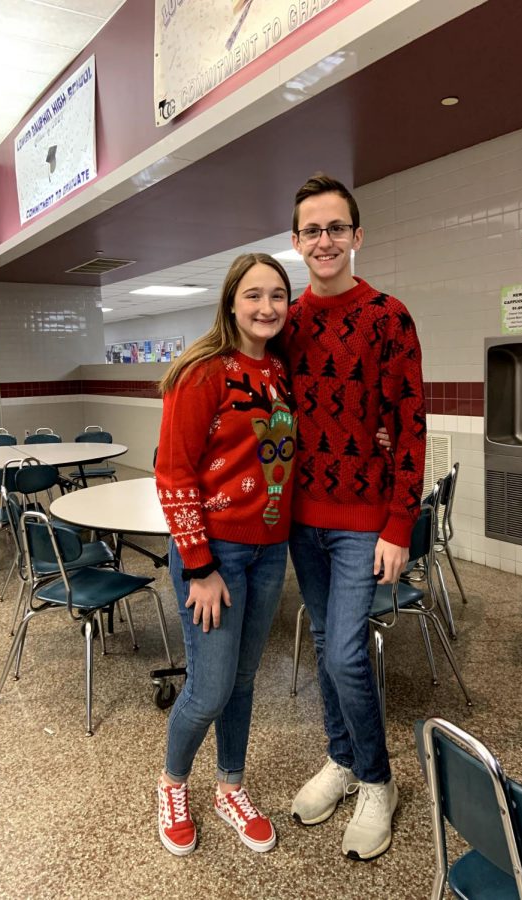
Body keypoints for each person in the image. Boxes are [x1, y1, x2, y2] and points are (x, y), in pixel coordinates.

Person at [283, 173, 426, 861]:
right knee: (322, 647)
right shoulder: (287, 323)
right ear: (296, 241)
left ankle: (376, 779)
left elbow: (409, 425)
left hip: (361, 520)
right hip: (299, 521)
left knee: (344, 649)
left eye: (336, 227)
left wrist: (400, 523)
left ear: (356, 236)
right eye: (312, 229)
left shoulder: (388, 317)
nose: (325, 240)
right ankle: (340, 759)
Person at [154, 253, 297, 856]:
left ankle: (229, 786)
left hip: (270, 552)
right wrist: (200, 565)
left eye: (278, 297)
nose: (267, 308)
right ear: (231, 302)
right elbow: (173, 474)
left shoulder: (283, 372)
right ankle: (172, 784)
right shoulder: (204, 372)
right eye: (254, 295)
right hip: (216, 555)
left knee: (241, 683)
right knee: (208, 690)